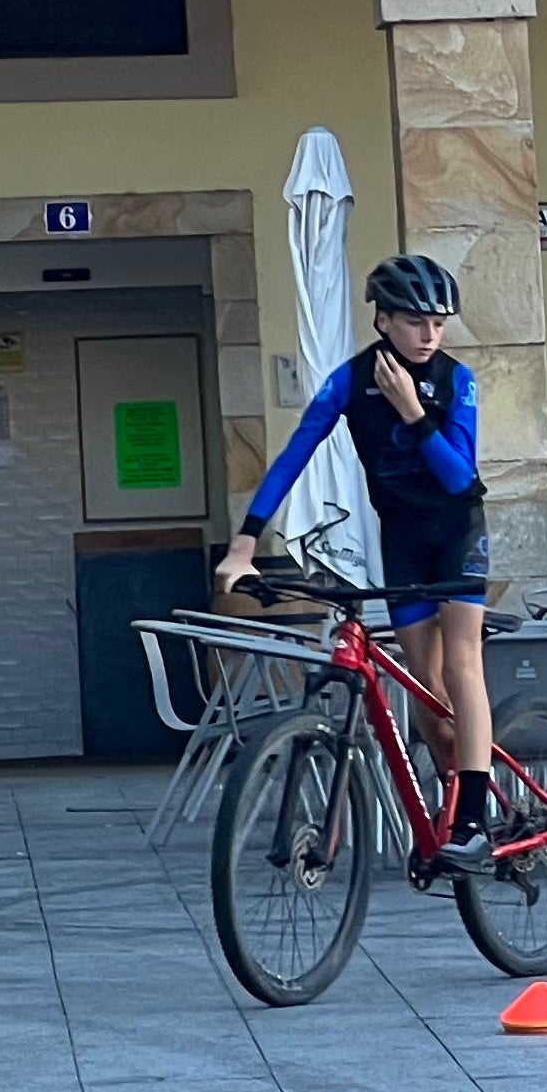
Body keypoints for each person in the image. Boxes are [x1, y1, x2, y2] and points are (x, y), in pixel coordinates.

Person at [218, 253, 501, 876]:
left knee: (460, 664)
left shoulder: (457, 380)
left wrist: (413, 413)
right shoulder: (348, 381)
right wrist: (245, 542)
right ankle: (450, 801)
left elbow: (459, 478)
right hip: (399, 535)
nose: (430, 335)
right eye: (415, 321)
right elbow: (295, 454)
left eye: (440, 323)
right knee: (425, 695)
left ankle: (475, 820)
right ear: (382, 319)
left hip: (456, 531)